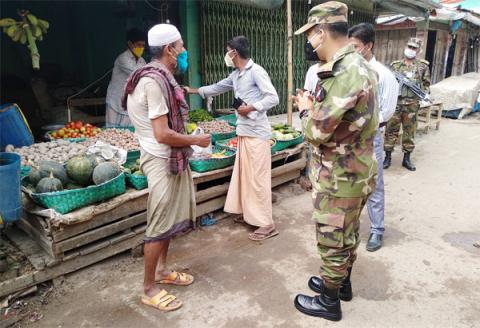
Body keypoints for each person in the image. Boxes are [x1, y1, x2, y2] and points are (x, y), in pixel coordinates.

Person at [292, 1, 379, 321]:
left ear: (320, 32)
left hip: (341, 174)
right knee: (348, 233)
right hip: (356, 168)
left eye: (311, 35)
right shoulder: (358, 63)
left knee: (332, 237)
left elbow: (316, 132)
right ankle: (340, 284)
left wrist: (304, 107)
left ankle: (329, 302)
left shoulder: (344, 70)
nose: (310, 42)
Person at [122, 23, 211, 312]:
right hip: (161, 158)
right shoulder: (153, 82)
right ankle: (149, 288)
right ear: (169, 49)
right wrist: (196, 139)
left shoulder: (160, 77)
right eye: (181, 46)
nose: (184, 52)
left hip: (169, 156)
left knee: (170, 219)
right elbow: (162, 134)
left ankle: (162, 271)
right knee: (159, 223)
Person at [185, 36, 280, 241]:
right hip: (244, 132)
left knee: (258, 180)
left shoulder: (256, 71)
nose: (226, 54)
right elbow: (217, 88)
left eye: (227, 50)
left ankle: (267, 224)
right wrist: (191, 90)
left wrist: (251, 107)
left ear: (234, 53)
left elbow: (273, 97)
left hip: (257, 133)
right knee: (246, 178)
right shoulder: (236, 74)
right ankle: (249, 215)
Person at [348, 23, 399, 252]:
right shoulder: (348, 72)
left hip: (371, 137)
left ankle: (377, 231)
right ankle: (349, 228)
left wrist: (361, 122)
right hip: (348, 138)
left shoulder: (383, 74)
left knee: (374, 185)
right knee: (349, 182)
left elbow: (386, 111)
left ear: (368, 46)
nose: (352, 50)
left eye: (356, 46)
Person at [383, 37, 431, 171]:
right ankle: (387, 157)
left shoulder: (422, 66)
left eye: (414, 48)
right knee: (391, 130)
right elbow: (388, 83)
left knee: (409, 132)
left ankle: (406, 159)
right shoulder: (395, 65)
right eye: (409, 46)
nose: (411, 50)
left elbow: (426, 84)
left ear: (419, 51)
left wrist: (425, 95)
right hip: (396, 104)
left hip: (412, 105)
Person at [106, 28, 147, 127]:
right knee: (113, 134)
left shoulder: (142, 61)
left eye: (143, 45)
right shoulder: (123, 59)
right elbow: (138, 74)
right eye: (138, 45)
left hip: (130, 102)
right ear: (130, 44)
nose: (141, 48)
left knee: (128, 136)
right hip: (116, 102)